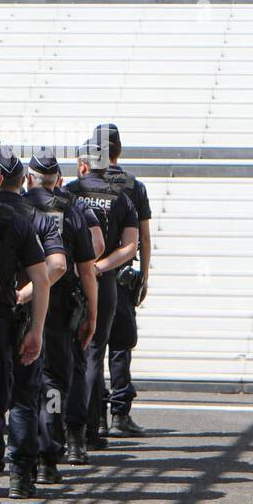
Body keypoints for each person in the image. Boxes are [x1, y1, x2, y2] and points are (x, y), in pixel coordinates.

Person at [19, 150, 99, 483]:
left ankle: (20, 462)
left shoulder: (16, 208)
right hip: (59, 306)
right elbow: (87, 270)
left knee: (21, 386)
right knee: (53, 383)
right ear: (60, 182)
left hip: (19, 304)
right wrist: (93, 313)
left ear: (28, 179)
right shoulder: (73, 210)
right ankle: (48, 458)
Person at [64, 138, 139, 457]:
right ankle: (92, 427)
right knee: (94, 353)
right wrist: (99, 267)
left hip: (66, 280)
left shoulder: (68, 193)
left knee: (66, 357)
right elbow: (131, 245)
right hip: (103, 280)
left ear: (82, 166)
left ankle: (66, 430)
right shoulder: (121, 195)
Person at [0, 149, 56, 498]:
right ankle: (19, 476)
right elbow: (54, 268)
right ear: (22, 182)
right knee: (23, 399)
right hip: (19, 316)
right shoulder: (34, 217)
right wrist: (33, 319)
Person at [100, 123, 152, 436]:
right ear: (119, 149)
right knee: (120, 344)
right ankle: (120, 411)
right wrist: (145, 274)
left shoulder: (82, 185)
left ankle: (93, 417)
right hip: (120, 274)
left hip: (88, 273)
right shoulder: (134, 186)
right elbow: (143, 236)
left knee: (89, 348)